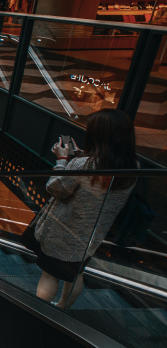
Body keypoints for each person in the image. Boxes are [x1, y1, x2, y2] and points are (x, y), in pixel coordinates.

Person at [32, 109, 138, 309]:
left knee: (49, 275)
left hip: (63, 233)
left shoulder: (84, 165)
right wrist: (80, 155)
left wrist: (62, 161)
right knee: (76, 273)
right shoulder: (133, 166)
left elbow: (56, 187)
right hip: (90, 237)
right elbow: (100, 171)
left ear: (97, 136)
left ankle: (40, 313)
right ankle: (63, 307)